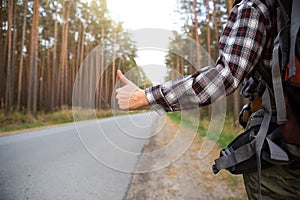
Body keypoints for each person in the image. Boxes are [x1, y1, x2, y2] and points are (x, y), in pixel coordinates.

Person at [115, 0, 300, 199]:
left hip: (280, 135)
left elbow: (225, 76)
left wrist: (146, 97)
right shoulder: (284, 9)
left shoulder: (253, 6)